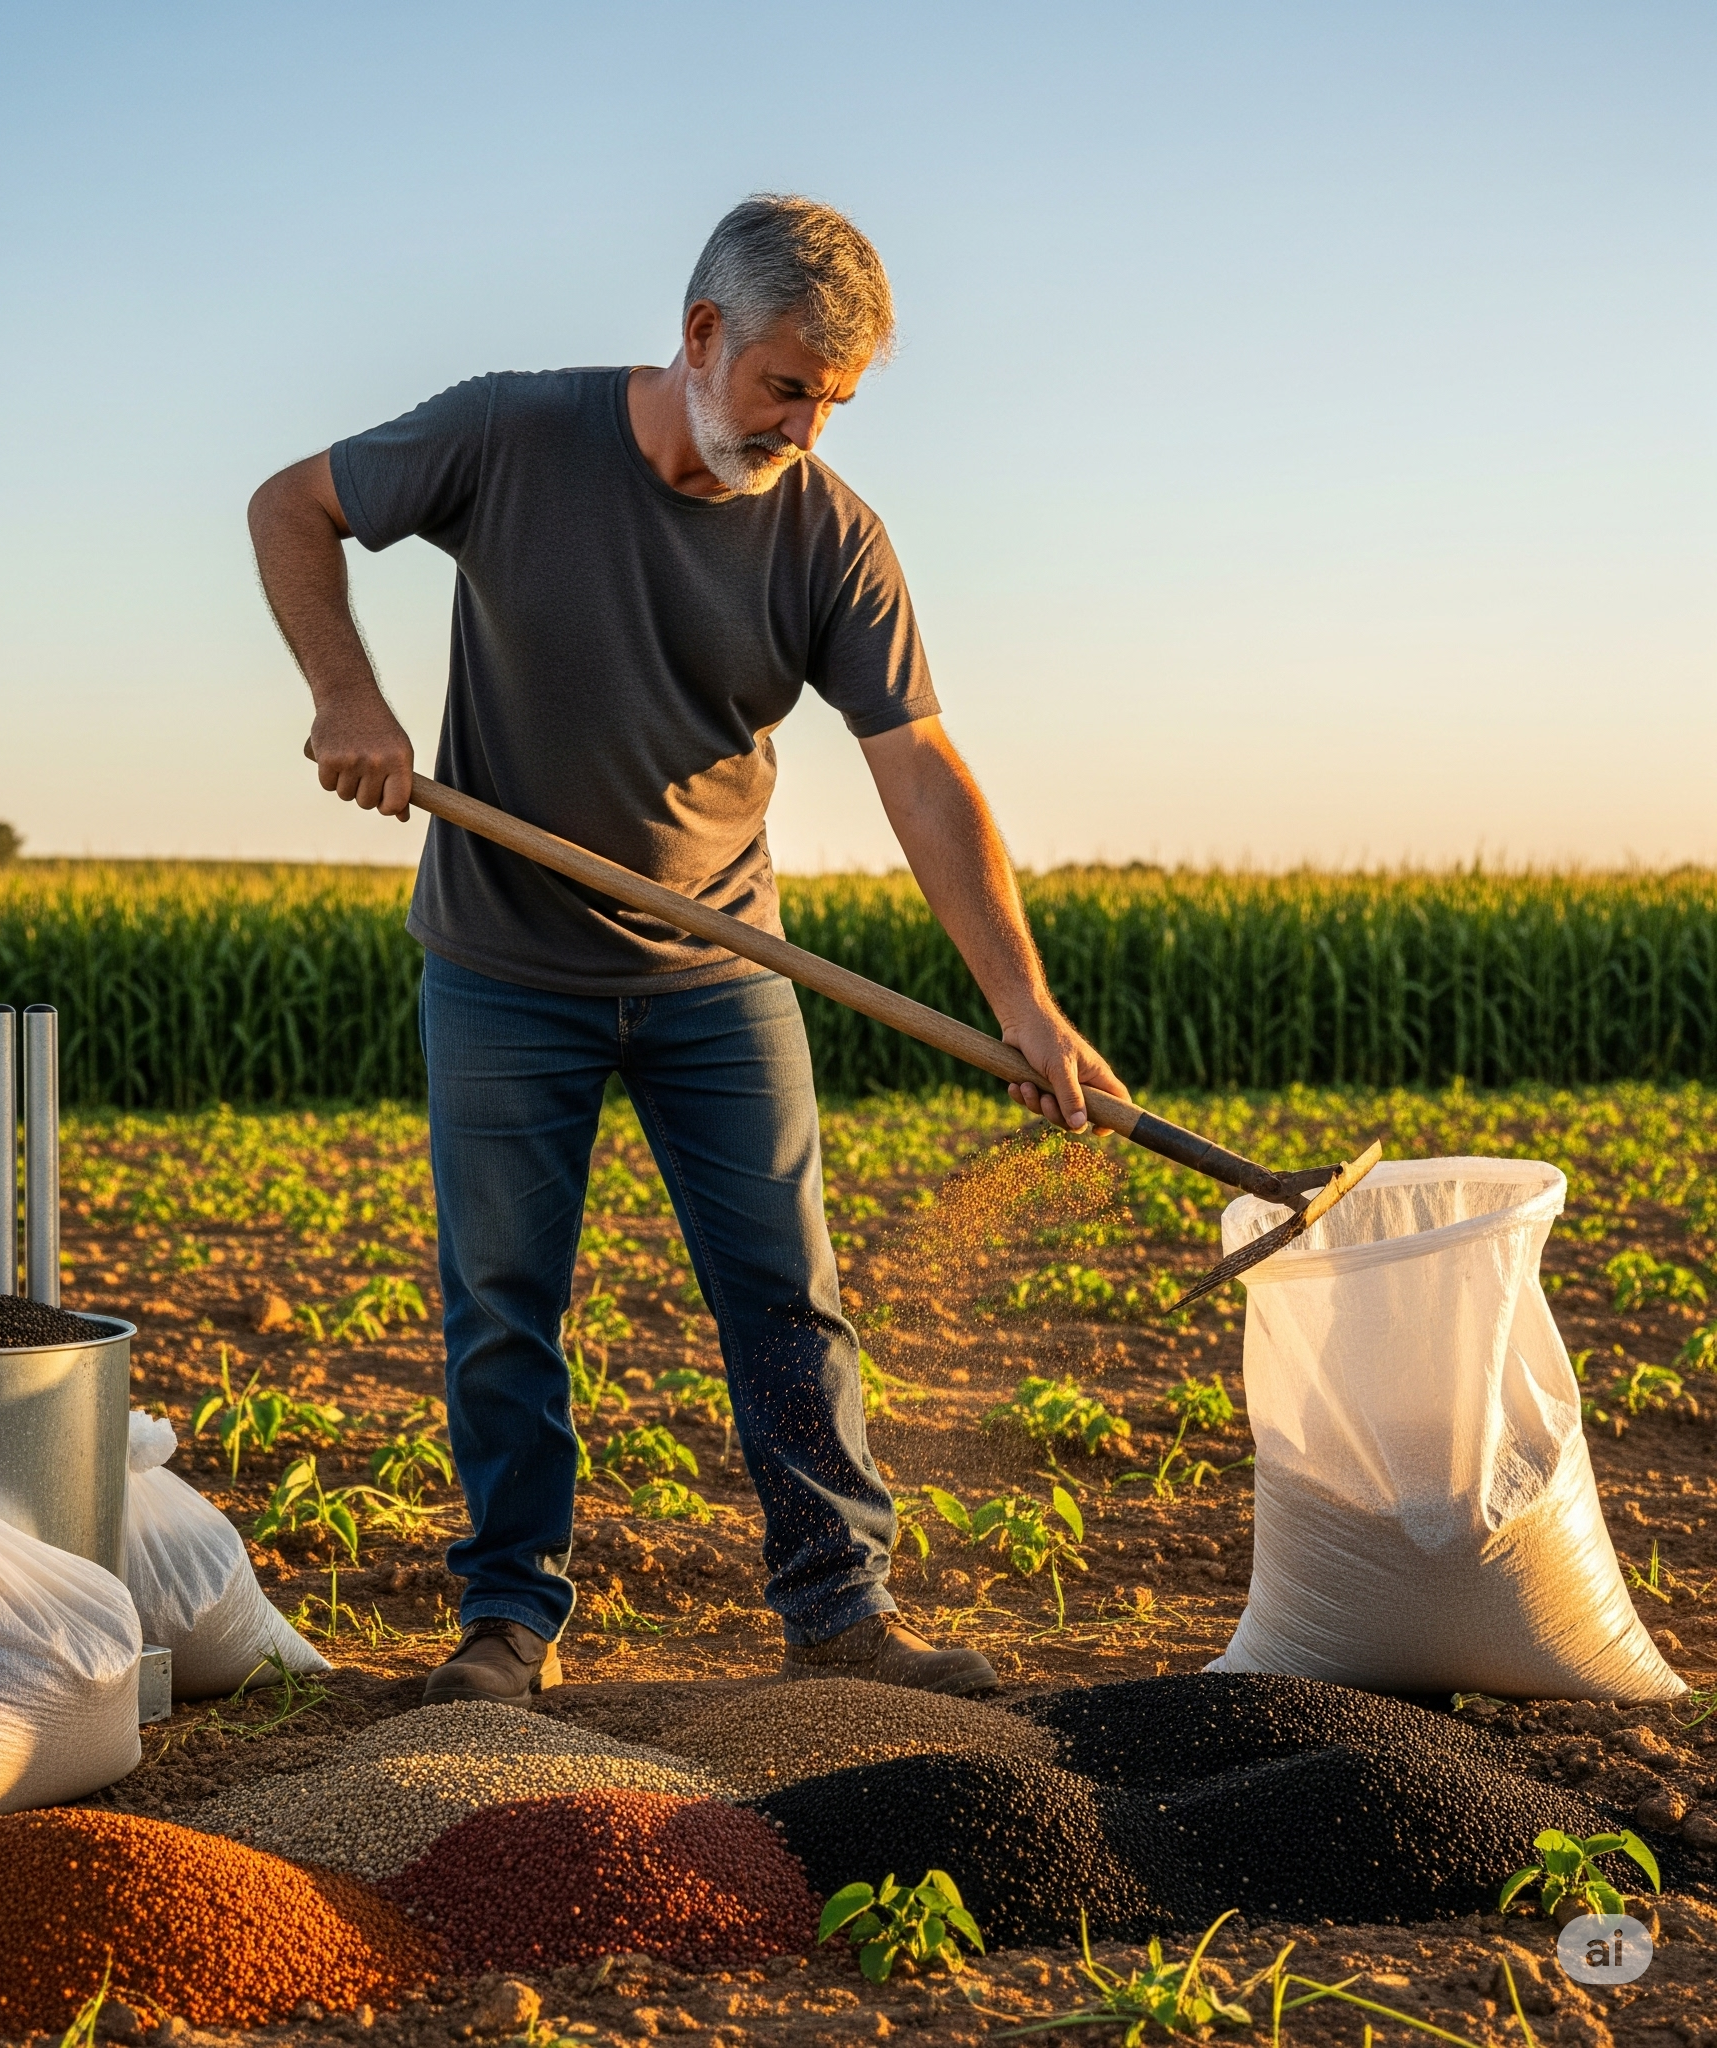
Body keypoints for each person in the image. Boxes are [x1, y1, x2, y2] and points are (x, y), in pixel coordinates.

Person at [248, 194, 1128, 1706]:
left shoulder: (830, 534)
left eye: (836, 401)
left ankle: (841, 1610)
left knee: (790, 1292)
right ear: (701, 334)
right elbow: (289, 504)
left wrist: (1028, 1008)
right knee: (504, 1300)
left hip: (722, 970)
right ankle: (509, 1621)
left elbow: (917, 766)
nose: (806, 426)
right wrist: (351, 696)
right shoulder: (509, 436)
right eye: (789, 385)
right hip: (502, 968)